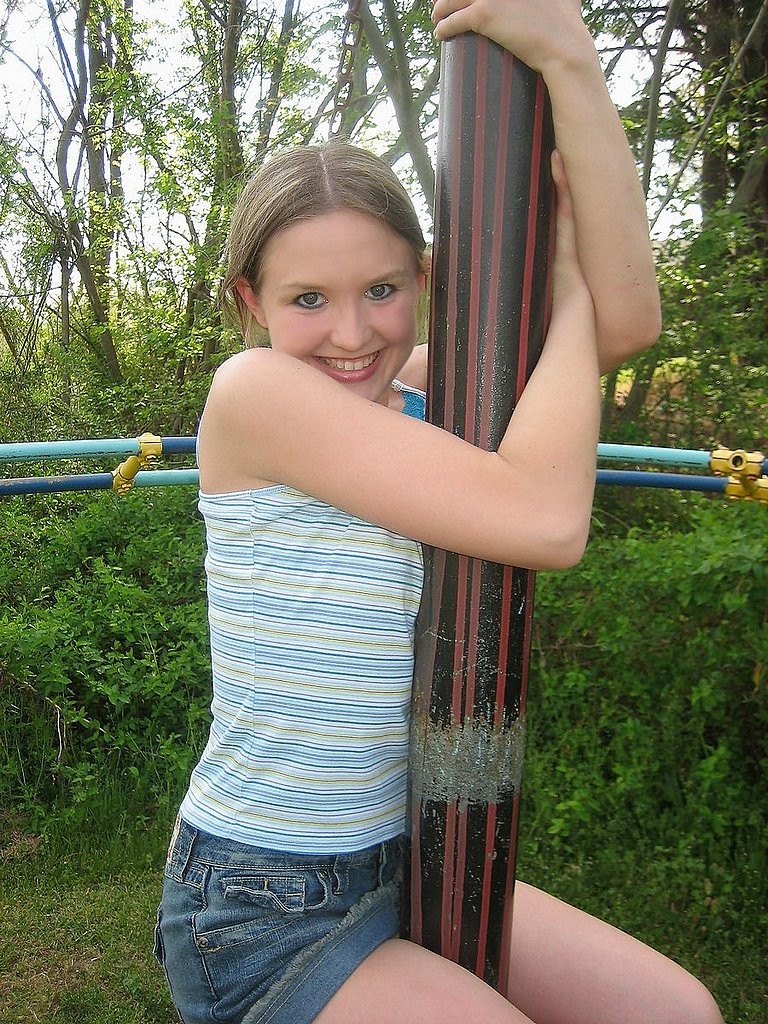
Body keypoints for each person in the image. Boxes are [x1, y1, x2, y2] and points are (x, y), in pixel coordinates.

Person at [153, 2, 724, 1023]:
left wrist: (570, 63)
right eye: (308, 300)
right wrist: (566, 289)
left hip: (409, 845)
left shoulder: (425, 395)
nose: (350, 334)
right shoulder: (256, 395)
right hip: (265, 897)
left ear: (424, 277)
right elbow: (546, 520)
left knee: (677, 1010)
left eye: (380, 288)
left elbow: (630, 314)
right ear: (250, 301)